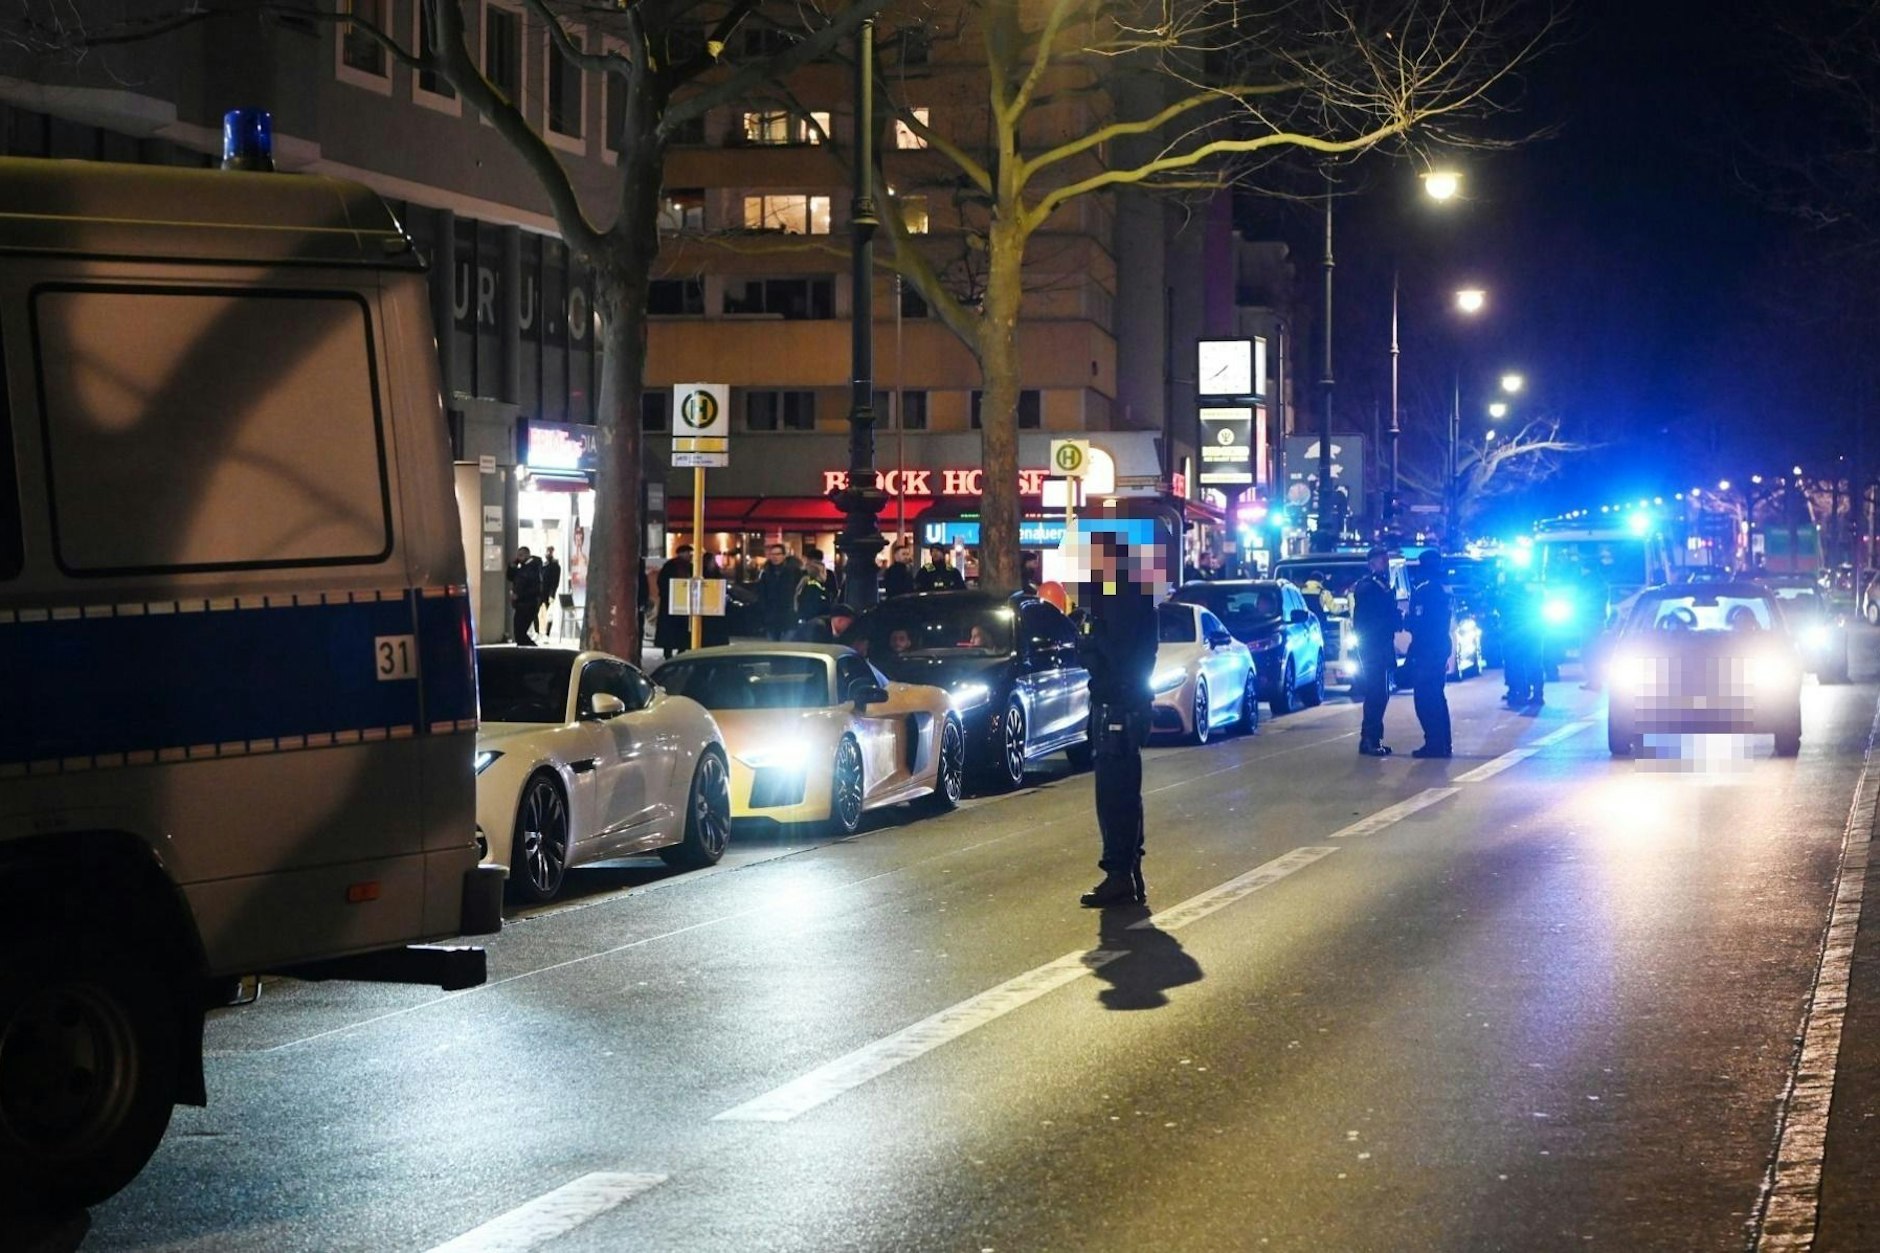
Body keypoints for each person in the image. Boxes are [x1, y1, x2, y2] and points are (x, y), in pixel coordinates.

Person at [1076, 532, 1159, 909]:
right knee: (1123, 791)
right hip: (1125, 700)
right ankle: (1126, 870)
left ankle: (1120, 873)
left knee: (1115, 794)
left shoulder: (1120, 599)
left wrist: (1089, 638)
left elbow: (1110, 652)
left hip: (1118, 704)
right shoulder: (1132, 597)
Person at [1351, 546, 1401, 757]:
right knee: (1376, 693)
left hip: (1382, 644)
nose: (1386, 564)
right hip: (1372, 646)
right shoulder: (1367, 586)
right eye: (1382, 561)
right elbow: (1372, 617)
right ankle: (1369, 740)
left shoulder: (1382, 585)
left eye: (1387, 560)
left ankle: (1375, 738)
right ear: (1371, 563)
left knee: (1382, 693)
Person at [1405, 549, 1453, 758]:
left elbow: (1419, 621)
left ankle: (1434, 743)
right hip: (1439, 646)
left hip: (1427, 648)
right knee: (1437, 696)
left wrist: (1405, 622)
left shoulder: (1425, 590)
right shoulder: (1444, 588)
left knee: (1426, 697)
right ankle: (1443, 743)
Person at [654, 545, 694, 658]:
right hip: (670, 603)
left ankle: (681, 650)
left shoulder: (690, 566)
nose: (690, 556)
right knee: (670, 631)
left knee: (682, 630)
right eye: (688, 553)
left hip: (684, 603)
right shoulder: (670, 566)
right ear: (681, 553)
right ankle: (668, 652)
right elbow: (662, 583)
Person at [757, 542, 801, 641]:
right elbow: (762, 594)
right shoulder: (766, 573)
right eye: (772, 554)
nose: (775, 557)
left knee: (786, 647)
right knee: (772, 648)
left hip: (789, 615)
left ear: (784, 556)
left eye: (778, 554)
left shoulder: (793, 571)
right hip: (771, 617)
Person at [506, 546, 544, 646]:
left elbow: (535, 589)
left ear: (527, 555)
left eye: (521, 555)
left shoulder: (533, 568)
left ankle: (533, 651)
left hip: (529, 604)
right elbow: (510, 576)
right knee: (518, 632)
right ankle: (525, 650)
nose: (519, 558)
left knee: (521, 632)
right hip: (520, 605)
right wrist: (513, 564)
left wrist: (519, 596)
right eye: (518, 556)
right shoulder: (522, 568)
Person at [793, 603, 859, 644]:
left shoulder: (829, 629)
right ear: (840, 620)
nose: (848, 627)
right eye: (848, 624)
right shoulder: (818, 628)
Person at [795, 554, 830, 628]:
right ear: (820, 573)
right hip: (813, 624)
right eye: (824, 571)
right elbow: (814, 608)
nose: (826, 574)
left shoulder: (812, 585)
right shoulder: (813, 588)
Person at [539, 546, 562, 638]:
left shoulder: (555, 566)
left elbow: (555, 582)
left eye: (549, 552)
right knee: (539, 613)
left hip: (548, 593)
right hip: (541, 592)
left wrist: (552, 594)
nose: (548, 554)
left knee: (549, 613)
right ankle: (539, 631)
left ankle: (546, 633)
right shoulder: (544, 565)